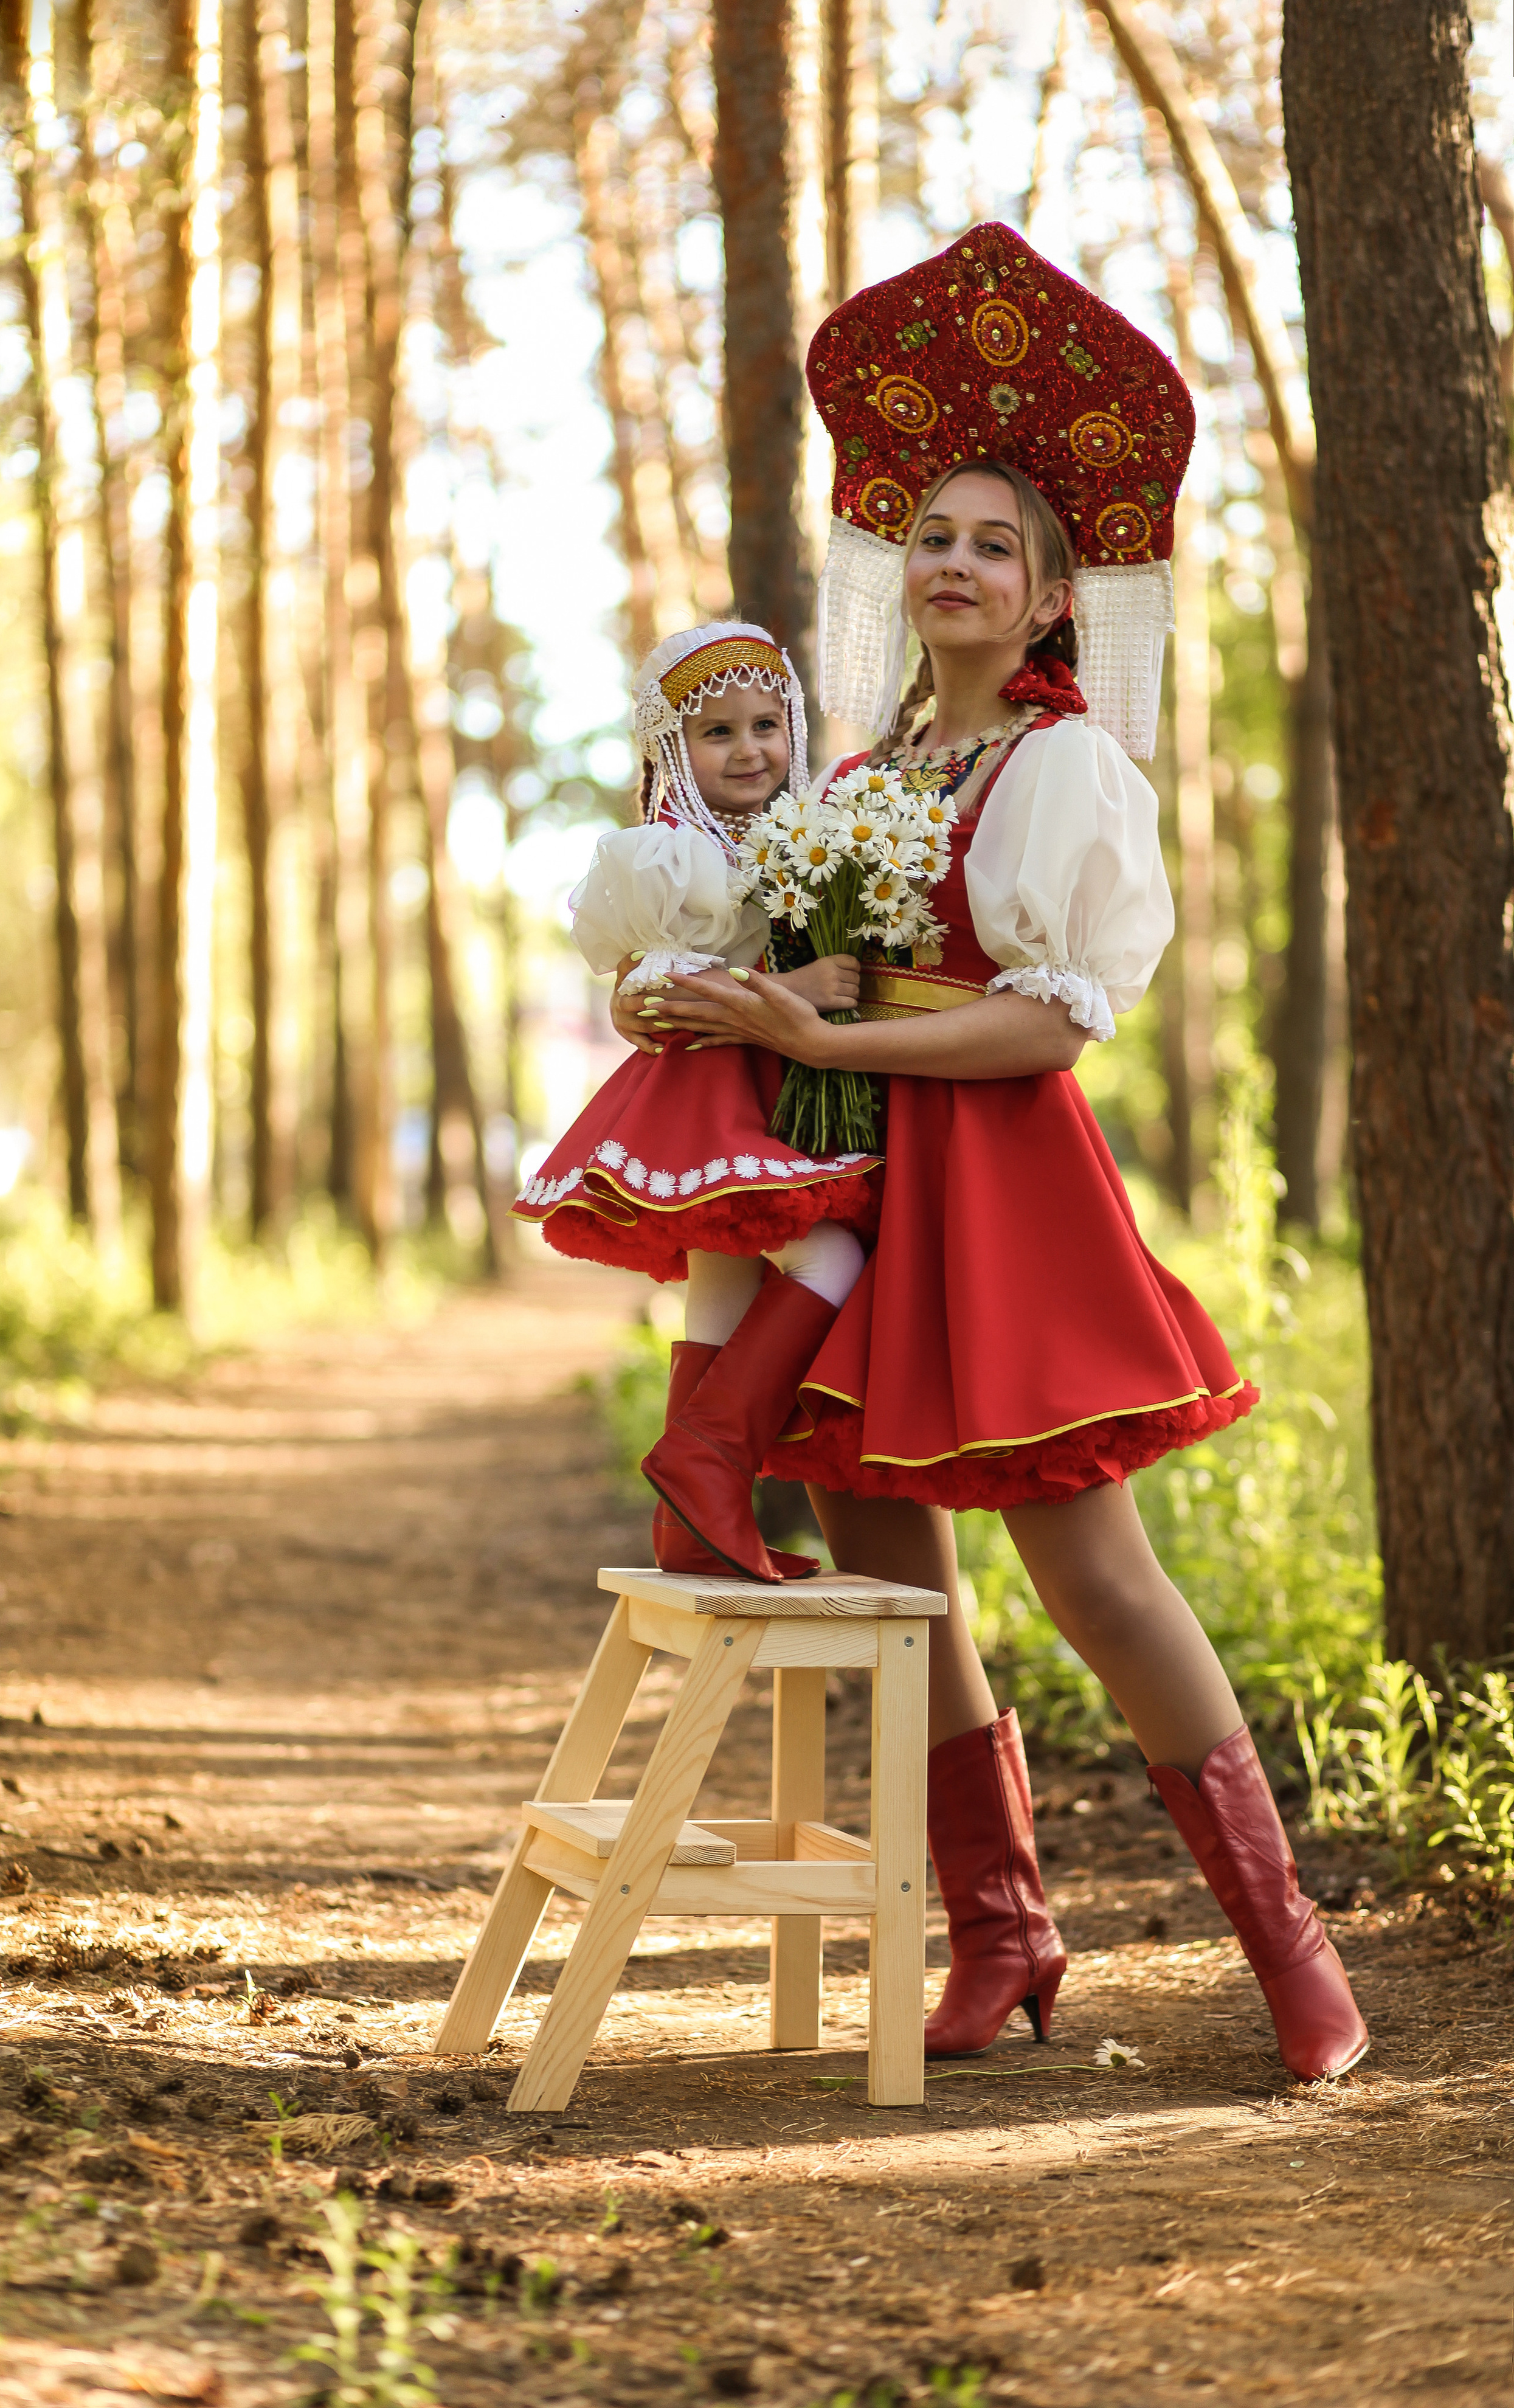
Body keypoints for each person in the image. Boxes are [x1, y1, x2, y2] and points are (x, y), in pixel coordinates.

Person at [623, 224, 1368, 2085]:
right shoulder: (862, 783)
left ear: (1053, 603)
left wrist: (831, 1028)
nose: (953, 563)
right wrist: (718, 1005)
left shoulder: (1060, 775)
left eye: (995, 547)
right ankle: (1003, 1931)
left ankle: (1295, 1957)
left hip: (1004, 1195)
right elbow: (818, 977)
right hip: (861, 1195)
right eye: (932, 537)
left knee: (1095, 1576)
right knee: (891, 1586)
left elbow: (1050, 1022)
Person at [514, 621, 881, 1584]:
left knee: (724, 1274)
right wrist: (800, 994)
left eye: (768, 724)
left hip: (770, 1088)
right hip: (715, 1093)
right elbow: (673, 990)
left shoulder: (802, 836)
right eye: (719, 734)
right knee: (832, 1253)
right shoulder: (674, 856)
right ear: (672, 750)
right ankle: (706, 1459)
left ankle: (690, 1522)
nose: (752, 749)